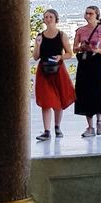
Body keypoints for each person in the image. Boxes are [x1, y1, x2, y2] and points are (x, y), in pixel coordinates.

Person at [33, 9, 74, 141]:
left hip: (58, 70)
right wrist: (38, 45)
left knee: (58, 100)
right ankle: (46, 131)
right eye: (46, 17)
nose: (48, 19)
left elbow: (69, 53)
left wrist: (60, 57)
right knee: (46, 101)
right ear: (44, 20)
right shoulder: (40, 36)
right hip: (44, 70)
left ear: (56, 19)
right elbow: (35, 57)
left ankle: (57, 127)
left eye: (51, 16)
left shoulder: (62, 35)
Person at [73, 5, 101, 137]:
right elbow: (74, 49)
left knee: (98, 92)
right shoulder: (80, 30)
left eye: (91, 13)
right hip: (84, 63)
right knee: (84, 93)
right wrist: (81, 47)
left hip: (97, 62)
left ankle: (99, 120)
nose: (88, 15)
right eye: (86, 13)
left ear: (97, 15)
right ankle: (90, 126)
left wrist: (96, 50)